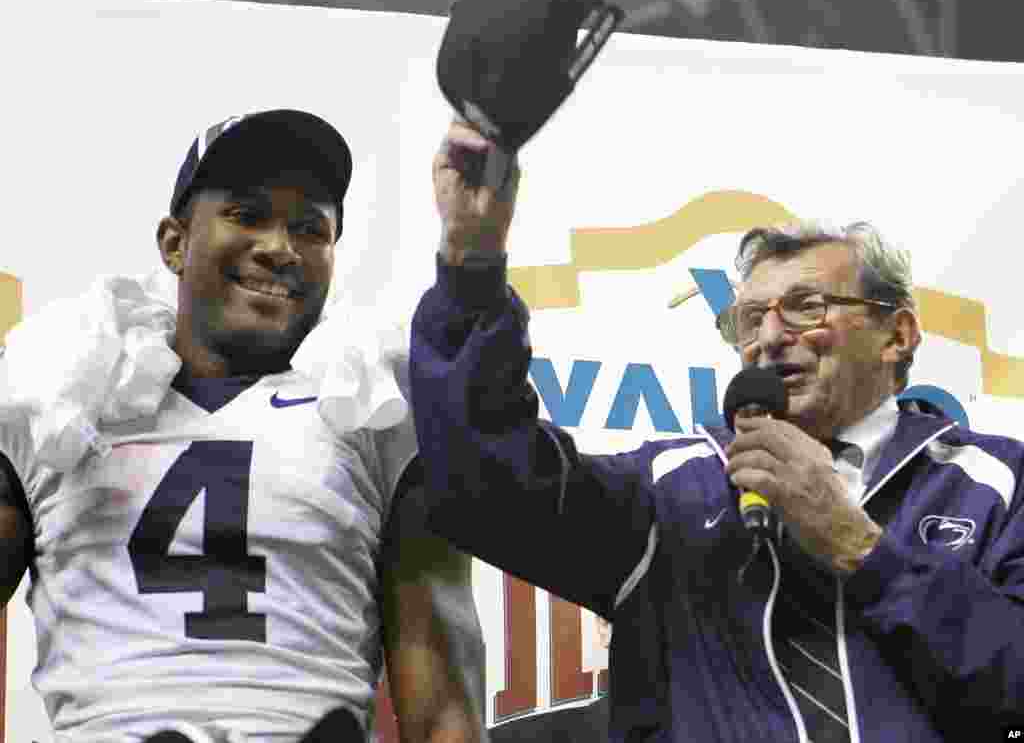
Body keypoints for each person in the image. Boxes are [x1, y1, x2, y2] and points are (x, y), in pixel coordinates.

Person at [408, 121, 1024, 742]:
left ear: (897, 335)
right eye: (750, 318)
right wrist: (471, 259)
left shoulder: (997, 484)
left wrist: (860, 547)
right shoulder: (672, 487)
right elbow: (482, 480)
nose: (771, 337)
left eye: (808, 306)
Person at [0, 111, 487, 743]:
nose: (280, 247)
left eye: (310, 228)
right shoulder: (55, 399)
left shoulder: (381, 415)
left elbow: (443, 706)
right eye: (247, 214)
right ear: (174, 243)